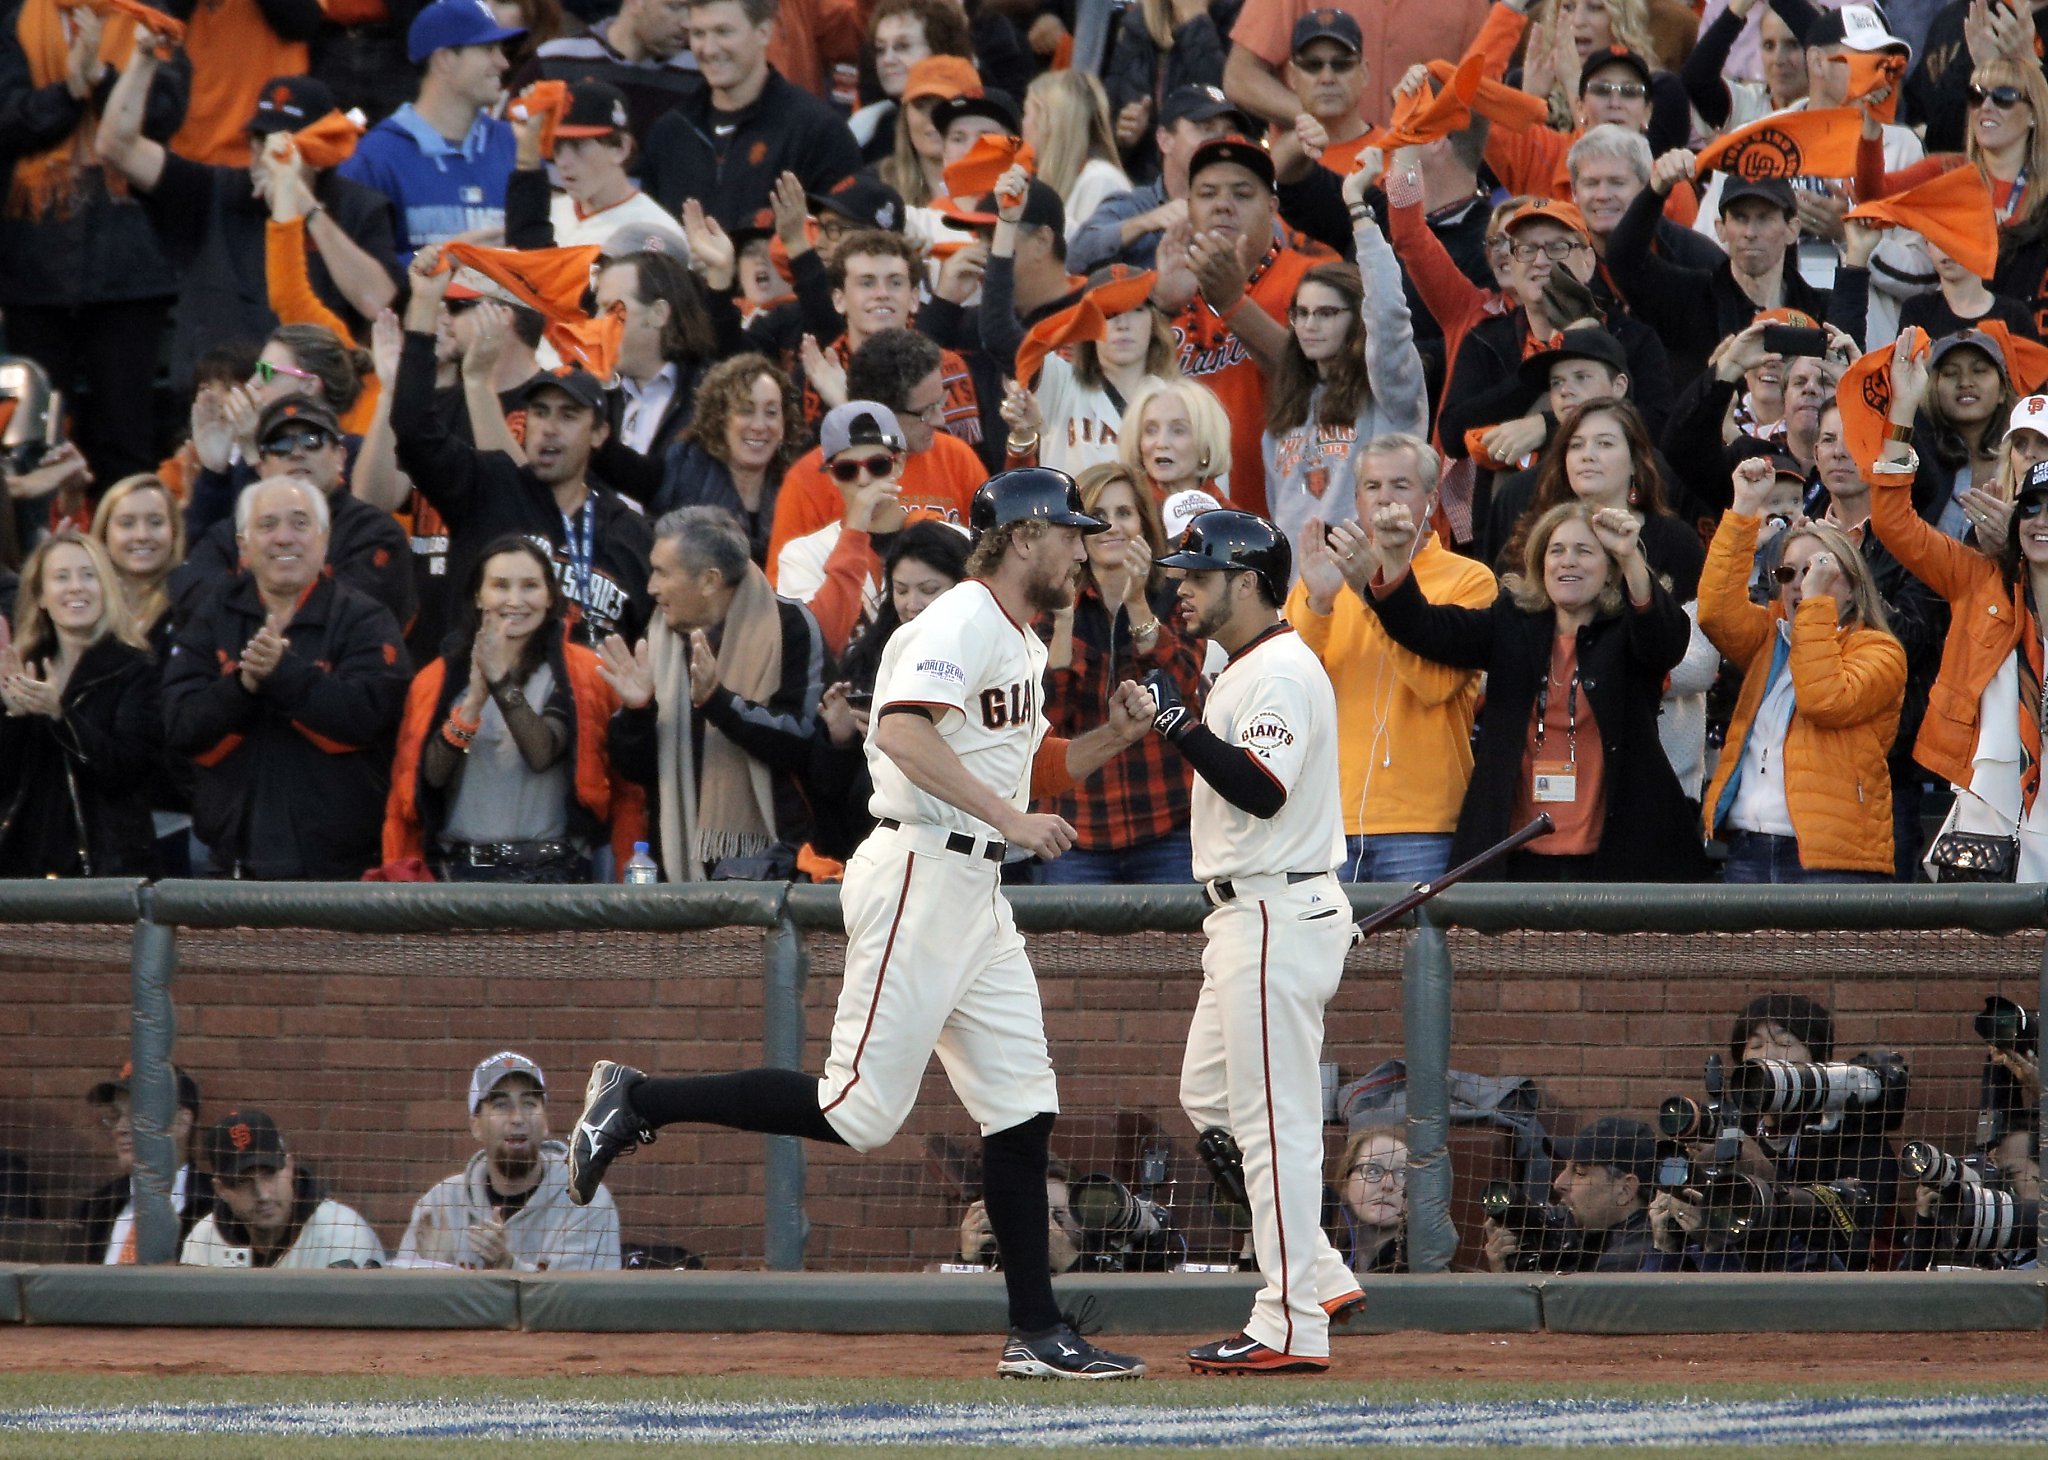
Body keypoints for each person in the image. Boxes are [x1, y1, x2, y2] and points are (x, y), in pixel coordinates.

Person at [567, 469, 1155, 1381]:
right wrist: (1008, 819)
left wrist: (1110, 741)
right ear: (1027, 537)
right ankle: (638, 1101)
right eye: (1071, 533)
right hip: (921, 868)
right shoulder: (960, 616)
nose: (1083, 548)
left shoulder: (1017, 635)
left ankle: (1037, 1334)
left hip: (974, 887)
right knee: (859, 1112)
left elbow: (1027, 766)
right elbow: (900, 731)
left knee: (1023, 1106)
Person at [1142, 509, 1362, 1374]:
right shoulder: (1242, 663)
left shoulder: (1279, 668)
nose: (1183, 586)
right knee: (1210, 1096)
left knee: (1275, 1125)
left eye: (1198, 574)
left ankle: (1288, 1321)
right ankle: (1321, 1270)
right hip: (1247, 912)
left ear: (1247, 581)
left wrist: (1178, 726)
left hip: (1275, 910)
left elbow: (1262, 790)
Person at [1358, 498, 1706, 881]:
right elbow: (1426, 629)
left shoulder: (1629, 629)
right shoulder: (1511, 623)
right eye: (1556, 551)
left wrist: (1629, 556)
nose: (1567, 561)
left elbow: (1665, 642)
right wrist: (1393, 560)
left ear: (1609, 570)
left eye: (1584, 551)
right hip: (1515, 858)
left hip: (1618, 858)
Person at [393, 246, 653, 647]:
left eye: (568, 416)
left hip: (583, 705)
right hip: (480, 697)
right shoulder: (486, 488)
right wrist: (425, 307)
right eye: (541, 412)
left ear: (599, 434)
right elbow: (412, 428)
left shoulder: (628, 534)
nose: (549, 428)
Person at [97, 60, 403, 396]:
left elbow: (378, 303)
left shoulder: (358, 207)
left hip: (316, 408)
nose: (263, 153)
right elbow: (117, 147)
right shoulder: (212, 191)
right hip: (215, 399)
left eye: (280, 141)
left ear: (319, 149)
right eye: (257, 139)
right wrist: (144, 58)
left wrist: (304, 205)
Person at [162, 477, 413, 879]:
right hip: (231, 864)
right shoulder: (212, 615)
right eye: (267, 525)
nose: (284, 538)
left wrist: (286, 674)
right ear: (243, 545)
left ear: (324, 539)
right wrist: (242, 686)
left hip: (342, 871)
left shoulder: (365, 618)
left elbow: (372, 715)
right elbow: (179, 724)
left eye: (299, 523)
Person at [1873, 351, 2048, 883]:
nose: (2040, 520)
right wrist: (1902, 409)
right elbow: (1894, 523)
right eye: (2021, 443)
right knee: (1985, 957)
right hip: (1991, 799)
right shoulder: (1978, 575)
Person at [1290, 434, 1496, 884]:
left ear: (1431, 498)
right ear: (1357, 500)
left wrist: (1371, 592)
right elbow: (1290, 689)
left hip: (1423, 825)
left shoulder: (1471, 579)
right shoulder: (1324, 576)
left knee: (1418, 955)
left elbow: (1435, 688)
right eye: (1371, 486)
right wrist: (1319, 604)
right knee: (1327, 956)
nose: (1384, 498)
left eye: (1400, 485)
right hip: (1328, 822)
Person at [0, 0, 186, 482]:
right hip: (32, 269)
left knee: (125, 435)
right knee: (36, 435)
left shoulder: (152, 21)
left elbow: (161, 116)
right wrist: (71, 88)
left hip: (130, 269)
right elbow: (9, 122)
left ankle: (129, 544)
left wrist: (99, 77)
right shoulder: (16, 20)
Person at [1699, 457, 1907, 883]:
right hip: (1748, 851)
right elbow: (1715, 614)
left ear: (1852, 584)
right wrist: (1742, 511)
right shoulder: (1769, 638)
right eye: (1788, 572)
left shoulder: (1881, 651)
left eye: (1818, 571)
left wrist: (1815, 608)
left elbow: (1824, 700)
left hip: (1834, 862)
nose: (1799, 583)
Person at [385, 535, 635, 882]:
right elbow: (427, 780)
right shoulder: (438, 678)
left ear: (550, 597)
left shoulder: (578, 672)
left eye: (530, 586)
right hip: (459, 873)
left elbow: (542, 752)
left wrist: (500, 681)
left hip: (554, 875)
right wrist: (472, 703)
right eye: (500, 586)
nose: (515, 600)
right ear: (478, 596)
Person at [598, 505, 824, 880]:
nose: (650, 587)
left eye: (661, 573)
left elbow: (801, 740)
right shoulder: (656, 634)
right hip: (678, 867)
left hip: (774, 866)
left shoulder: (790, 625)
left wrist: (718, 702)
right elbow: (634, 770)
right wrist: (638, 712)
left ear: (708, 581)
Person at [1036, 463, 1205, 885]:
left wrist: (1137, 603)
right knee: (1072, 954)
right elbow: (1047, 717)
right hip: (1077, 832)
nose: (1113, 526)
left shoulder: (1178, 595)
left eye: (1125, 513)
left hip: (1170, 825)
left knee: (1176, 952)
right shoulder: (1052, 606)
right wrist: (1062, 622)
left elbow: (1181, 688)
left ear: (1143, 524)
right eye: (1100, 515)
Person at [1262, 201, 1428, 552]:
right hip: (1299, 595)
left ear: (1357, 319)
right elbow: (1280, 514)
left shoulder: (1389, 396)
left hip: (1370, 586)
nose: (1309, 325)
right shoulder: (1283, 418)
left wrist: (1359, 212)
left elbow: (1389, 319)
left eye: (1326, 313)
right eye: (1301, 313)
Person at [177, 395, 415, 634]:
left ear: (340, 457)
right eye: (280, 445)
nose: (296, 452)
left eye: (312, 440)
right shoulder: (236, 530)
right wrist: (214, 476)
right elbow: (190, 593)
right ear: (261, 467)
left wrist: (253, 601)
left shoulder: (374, 530)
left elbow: (360, 618)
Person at [765, 329, 986, 585]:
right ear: (883, 414)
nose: (940, 420)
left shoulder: (957, 458)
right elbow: (784, 596)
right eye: (926, 411)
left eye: (941, 402)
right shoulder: (808, 479)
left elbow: (991, 566)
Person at [0, 531, 162, 878]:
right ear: (41, 596)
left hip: (108, 870)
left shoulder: (135, 669)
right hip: (24, 867)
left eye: (89, 575)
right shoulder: (23, 665)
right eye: (61, 577)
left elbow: (126, 768)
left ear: (106, 588)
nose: (76, 587)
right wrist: (13, 716)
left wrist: (60, 716)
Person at [643, 0, 860, 232]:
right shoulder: (670, 133)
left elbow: (844, 243)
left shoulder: (817, 131)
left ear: (764, 32)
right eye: (698, 34)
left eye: (723, 32)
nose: (709, 49)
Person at [1611, 163, 1829, 389]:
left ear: (1792, 229)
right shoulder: (1692, 298)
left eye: (1764, 218)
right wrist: (1656, 190)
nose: (1750, 233)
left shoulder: (1819, 309)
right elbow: (1624, 261)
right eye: (1740, 218)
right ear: (1721, 228)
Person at [336, 0, 522, 261]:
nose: (503, 62)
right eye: (488, 49)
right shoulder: (375, 158)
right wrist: (442, 259)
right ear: (444, 59)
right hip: (417, 303)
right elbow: (357, 271)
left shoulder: (516, 145)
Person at [398, 1051, 620, 1270]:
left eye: (529, 1103)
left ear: (545, 1123)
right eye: (501, 1105)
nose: (517, 1118)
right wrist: (433, 1269)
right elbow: (405, 1299)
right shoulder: (441, 1203)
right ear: (476, 1125)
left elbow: (580, 1302)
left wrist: (507, 1265)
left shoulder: (585, 1199)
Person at [1000, 266, 1181, 479]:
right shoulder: (1059, 381)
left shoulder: (1181, 402)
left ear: (1154, 321)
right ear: (1087, 323)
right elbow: (999, 334)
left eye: (1136, 309)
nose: (1123, 324)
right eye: (1108, 313)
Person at [1222, 0, 1492, 132]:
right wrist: (1322, 122)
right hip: (1313, 180)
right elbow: (1241, 76)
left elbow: (1484, 100)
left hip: (1421, 186)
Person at [1068, 83, 1249, 275]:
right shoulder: (1135, 206)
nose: (1218, 140)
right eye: (1205, 128)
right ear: (1165, 139)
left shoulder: (1245, 209)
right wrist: (1145, 223)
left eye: (1228, 131)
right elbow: (1074, 256)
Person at [181, 1109, 385, 1268]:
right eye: (242, 1181)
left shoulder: (342, 1233)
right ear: (221, 1189)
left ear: (289, 1166)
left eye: (269, 1174)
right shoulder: (203, 1239)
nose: (262, 1194)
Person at [652, 352, 802, 564]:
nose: (759, 426)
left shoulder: (797, 486)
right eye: (746, 410)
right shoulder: (685, 468)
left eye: (771, 412)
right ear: (720, 417)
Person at [504, 80, 680, 253]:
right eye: (557, 146)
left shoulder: (656, 231)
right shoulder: (546, 213)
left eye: (578, 145)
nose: (563, 162)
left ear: (621, 148)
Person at [74, 1063, 212, 1265]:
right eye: (115, 1116)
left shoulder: (215, 1207)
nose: (120, 1128)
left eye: (137, 1116)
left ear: (181, 1122)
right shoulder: (96, 1208)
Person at [517, 0, 700, 151]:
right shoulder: (556, 61)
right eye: (675, 7)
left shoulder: (698, 73)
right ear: (635, 3)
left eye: (694, 10)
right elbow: (506, 143)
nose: (688, 23)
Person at [1484, 1116, 1656, 1273]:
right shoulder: (1591, 1234)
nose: (1558, 1183)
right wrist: (1504, 1270)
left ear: (1625, 1190)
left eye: (1580, 1172)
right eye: (1565, 1168)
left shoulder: (1625, 1261)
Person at [592, 249, 718, 463]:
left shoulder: (712, 397)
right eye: (598, 309)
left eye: (610, 308)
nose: (596, 322)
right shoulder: (589, 394)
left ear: (658, 314)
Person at [1102, 0, 1230, 187]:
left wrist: (1197, 24)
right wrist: (1123, 134)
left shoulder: (1234, 16)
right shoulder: (1136, 26)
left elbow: (1221, 101)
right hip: (1143, 183)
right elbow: (1107, 122)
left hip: (1214, 179)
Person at [853, 0, 974, 166]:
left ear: (940, 47)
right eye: (880, 49)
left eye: (902, 46)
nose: (887, 60)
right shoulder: (870, 131)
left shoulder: (978, 115)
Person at [1022, 69, 1131, 247]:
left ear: (1048, 122)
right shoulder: (1075, 178)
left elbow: (1086, 257)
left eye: (1026, 113)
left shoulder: (1100, 180)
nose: (1023, 124)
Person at [1121, 376, 1238, 513]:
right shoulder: (1124, 511)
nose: (1161, 443)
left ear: (1206, 443)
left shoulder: (1233, 522)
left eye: (1178, 431)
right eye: (1150, 430)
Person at [1335, 1125, 1408, 1272]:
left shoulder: (1423, 1264)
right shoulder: (1327, 1256)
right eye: (1373, 1170)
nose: (1387, 1184)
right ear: (1345, 1182)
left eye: (1403, 1174)